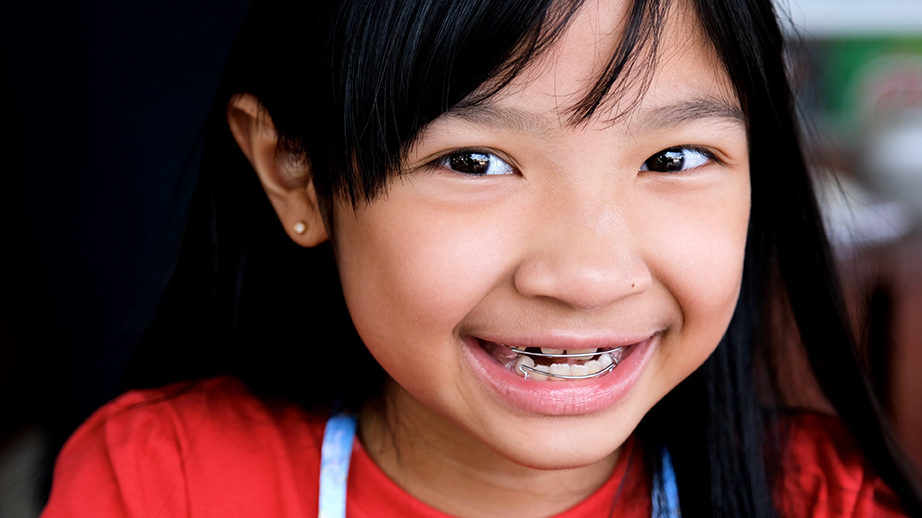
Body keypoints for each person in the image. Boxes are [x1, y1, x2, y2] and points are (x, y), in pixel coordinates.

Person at [39, 0, 922, 516]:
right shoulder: (162, 483)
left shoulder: (823, 499)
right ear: (296, 175)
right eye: (474, 162)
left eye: (674, 159)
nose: (586, 275)